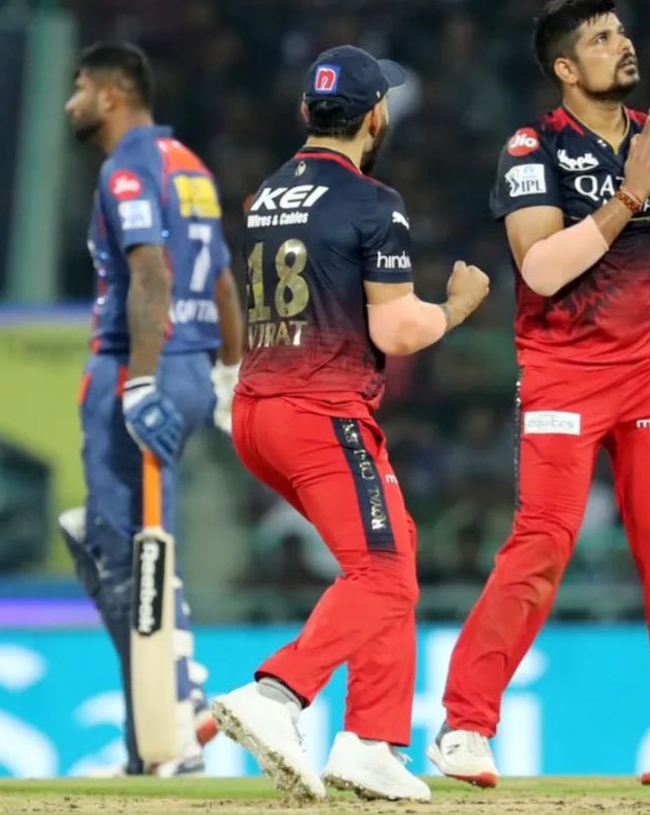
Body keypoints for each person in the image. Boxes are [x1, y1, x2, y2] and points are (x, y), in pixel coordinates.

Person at [426, 0, 650, 788]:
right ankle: (463, 727)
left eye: (624, 31)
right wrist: (628, 197)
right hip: (567, 368)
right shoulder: (534, 146)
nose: (623, 44)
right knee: (542, 543)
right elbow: (539, 267)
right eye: (602, 38)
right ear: (566, 68)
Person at [212, 44, 489, 803]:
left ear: (307, 114)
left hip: (257, 411)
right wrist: (457, 307)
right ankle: (277, 695)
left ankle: (372, 742)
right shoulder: (374, 201)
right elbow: (399, 332)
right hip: (320, 412)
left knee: (393, 551)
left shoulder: (267, 194)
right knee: (381, 573)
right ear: (375, 116)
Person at [59, 42, 244, 776]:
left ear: (110, 95)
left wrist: (137, 382)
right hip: (195, 367)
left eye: (77, 87)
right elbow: (223, 285)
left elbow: (150, 273)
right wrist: (228, 379)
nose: (70, 101)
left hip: (138, 364)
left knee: (121, 551)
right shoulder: (190, 166)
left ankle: (178, 709)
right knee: (129, 543)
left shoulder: (126, 167)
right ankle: (154, 739)